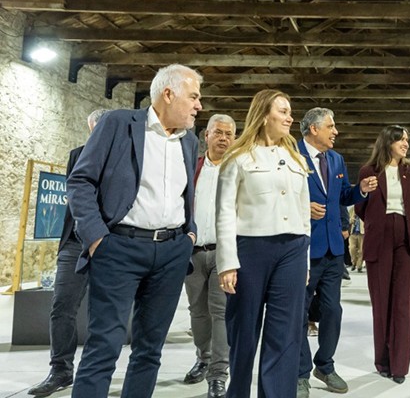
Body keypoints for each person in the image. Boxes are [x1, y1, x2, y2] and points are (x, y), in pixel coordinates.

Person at [66, 64, 202, 398]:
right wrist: (97, 238)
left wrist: (190, 234)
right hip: (119, 249)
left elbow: (186, 194)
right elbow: (81, 180)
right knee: (104, 347)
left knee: (150, 350)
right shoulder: (118, 123)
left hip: (171, 252)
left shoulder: (189, 141)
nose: (198, 105)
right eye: (193, 97)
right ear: (168, 94)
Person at [215, 89, 310, 398]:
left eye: (290, 111)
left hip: (293, 251)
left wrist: (305, 262)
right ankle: (238, 392)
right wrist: (227, 262)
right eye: (283, 111)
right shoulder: (238, 158)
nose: (290, 117)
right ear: (264, 115)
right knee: (243, 332)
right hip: (250, 250)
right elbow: (225, 212)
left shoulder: (296, 159)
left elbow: (304, 215)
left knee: (285, 333)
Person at [28, 109, 109, 398]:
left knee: (104, 312)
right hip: (74, 242)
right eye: (95, 129)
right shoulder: (77, 155)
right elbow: (76, 195)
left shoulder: (123, 157)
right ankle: (60, 370)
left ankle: (94, 374)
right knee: (62, 306)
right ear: (90, 129)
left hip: (108, 242)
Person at [296, 107, 376, 398]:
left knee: (332, 310)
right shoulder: (291, 155)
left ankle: (325, 365)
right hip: (303, 249)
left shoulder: (336, 159)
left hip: (333, 250)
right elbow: (280, 196)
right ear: (314, 129)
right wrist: (302, 208)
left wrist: (360, 190)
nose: (336, 132)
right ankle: (300, 372)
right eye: (331, 126)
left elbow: (342, 196)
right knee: (299, 313)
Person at [355, 125, 410, 384]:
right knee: (381, 302)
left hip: (407, 238)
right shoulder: (368, 171)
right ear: (387, 142)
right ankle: (382, 361)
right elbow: (360, 207)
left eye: (407, 140)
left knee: (404, 304)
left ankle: (399, 366)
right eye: (400, 140)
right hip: (379, 238)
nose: (405, 144)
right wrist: (377, 221)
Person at [183, 114, 236, 398]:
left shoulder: (239, 170)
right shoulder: (193, 167)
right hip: (192, 253)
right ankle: (203, 358)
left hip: (223, 254)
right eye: (218, 133)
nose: (223, 138)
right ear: (206, 135)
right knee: (197, 312)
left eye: (229, 134)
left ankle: (218, 373)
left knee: (220, 313)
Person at [348, 206, 365, 272]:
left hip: (362, 233)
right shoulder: (352, 209)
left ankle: (359, 266)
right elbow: (347, 219)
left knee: (361, 250)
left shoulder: (364, 209)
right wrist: (351, 220)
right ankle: (353, 263)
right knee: (351, 249)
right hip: (353, 232)